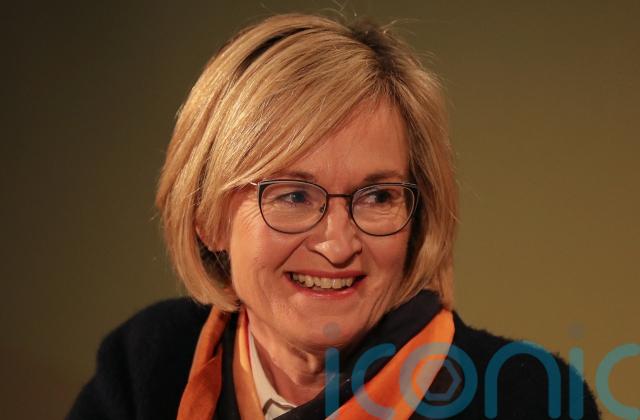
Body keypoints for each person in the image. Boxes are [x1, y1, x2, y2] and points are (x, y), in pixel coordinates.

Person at [68, 13, 600, 419]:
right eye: (294, 196)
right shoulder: (149, 363)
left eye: (378, 197)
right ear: (208, 218)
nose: (339, 244)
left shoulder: (527, 398)